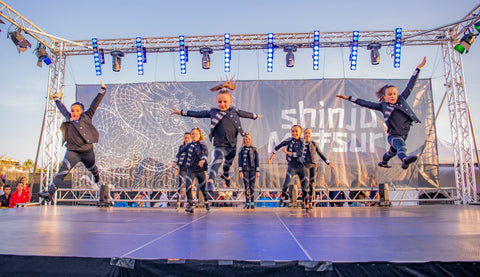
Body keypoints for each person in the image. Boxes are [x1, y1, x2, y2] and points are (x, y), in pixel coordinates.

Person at [171, 78, 262, 191]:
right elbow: (198, 113)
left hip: (232, 144)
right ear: (216, 101)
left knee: (227, 165)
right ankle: (210, 181)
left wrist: (254, 115)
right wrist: (181, 112)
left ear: (230, 102)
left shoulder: (234, 111)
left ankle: (226, 175)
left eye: (225, 102)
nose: (222, 104)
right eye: (220, 102)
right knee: (217, 159)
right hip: (220, 143)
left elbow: (245, 114)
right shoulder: (213, 112)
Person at [336, 57, 427, 170]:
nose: (393, 96)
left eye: (394, 93)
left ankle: (384, 162)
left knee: (391, 152)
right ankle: (404, 160)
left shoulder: (402, 100)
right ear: (384, 97)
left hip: (404, 134)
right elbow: (365, 103)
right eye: (389, 94)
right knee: (401, 146)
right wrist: (349, 98)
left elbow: (410, 86)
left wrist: (418, 69)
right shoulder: (383, 106)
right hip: (394, 136)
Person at [39, 81, 109, 205]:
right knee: (62, 172)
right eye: (72, 110)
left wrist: (102, 91)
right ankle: (49, 193)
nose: (74, 113)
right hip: (72, 152)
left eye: (77, 110)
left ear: (81, 111)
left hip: (87, 151)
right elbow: (62, 108)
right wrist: (56, 99)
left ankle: (98, 181)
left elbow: (94, 105)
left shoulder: (86, 116)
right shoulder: (69, 119)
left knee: (93, 169)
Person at [268, 125, 308, 209]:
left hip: (301, 166)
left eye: (296, 131)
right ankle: (282, 197)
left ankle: (305, 202)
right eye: (293, 131)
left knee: (304, 186)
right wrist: (271, 158)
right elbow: (277, 147)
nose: (294, 133)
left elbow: (299, 153)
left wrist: (287, 152)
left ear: (300, 132)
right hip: (292, 166)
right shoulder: (289, 140)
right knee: (286, 184)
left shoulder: (302, 141)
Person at [176, 127, 209, 213]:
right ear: (191, 135)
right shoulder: (188, 145)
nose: (194, 135)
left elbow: (206, 152)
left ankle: (206, 200)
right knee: (188, 186)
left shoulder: (202, 143)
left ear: (199, 135)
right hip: (191, 169)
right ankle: (190, 205)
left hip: (200, 170)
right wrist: (175, 162)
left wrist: (203, 160)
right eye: (193, 134)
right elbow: (180, 152)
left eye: (196, 134)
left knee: (203, 188)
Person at [303, 128, 335, 210]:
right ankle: (305, 202)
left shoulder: (314, 144)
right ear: (303, 134)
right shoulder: (301, 144)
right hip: (305, 165)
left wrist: (328, 163)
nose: (307, 135)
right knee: (305, 183)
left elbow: (321, 154)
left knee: (312, 184)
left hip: (314, 165)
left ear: (311, 134)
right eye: (306, 133)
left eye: (309, 133)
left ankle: (310, 202)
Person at [238, 133, 260, 209]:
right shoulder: (241, 149)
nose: (247, 141)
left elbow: (257, 160)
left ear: (251, 140)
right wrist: (240, 171)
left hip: (253, 169)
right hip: (245, 170)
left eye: (249, 139)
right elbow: (239, 161)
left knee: (252, 186)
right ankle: (247, 203)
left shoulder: (254, 149)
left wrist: (257, 171)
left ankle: (252, 203)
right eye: (246, 139)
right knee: (246, 186)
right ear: (244, 140)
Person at [172, 132, 192, 207]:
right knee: (181, 185)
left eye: (188, 138)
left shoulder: (192, 146)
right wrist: (176, 168)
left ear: (190, 138)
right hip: (183, 168)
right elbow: (178, 157)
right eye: (185, 138)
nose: (186, 139)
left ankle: (189, 202)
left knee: (189, 185)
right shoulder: (181, 147)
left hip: (190, 169)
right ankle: (178, 202)